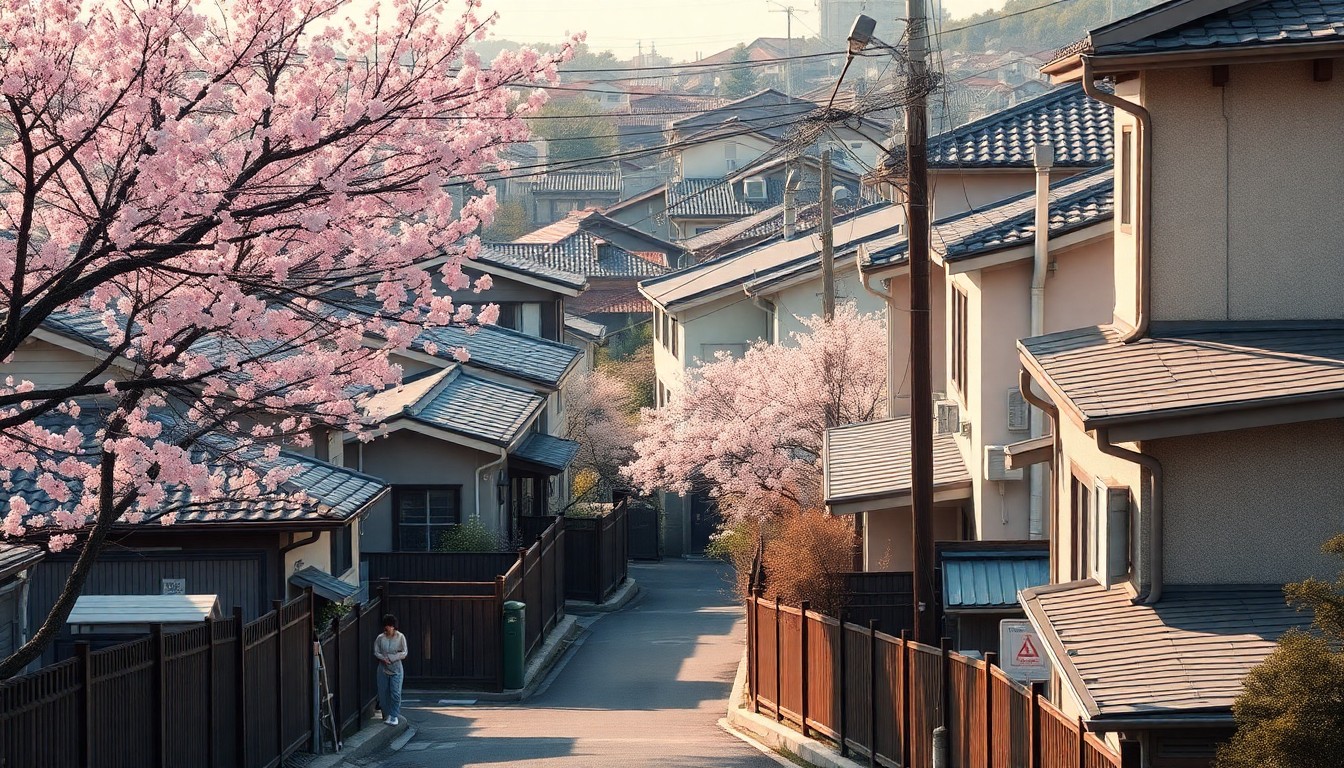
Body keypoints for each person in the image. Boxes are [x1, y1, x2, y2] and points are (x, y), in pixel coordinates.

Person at [373, 614, 408, 726]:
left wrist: (393, 658)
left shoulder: (400, 637)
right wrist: (383, 658)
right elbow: (376, 651)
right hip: (383, 667)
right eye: (386, 626)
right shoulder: (380, 638)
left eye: (389, 626)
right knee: (383, 693)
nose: (387, 628)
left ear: (393, 626)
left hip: (396, 667)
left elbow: (404, 652)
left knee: (395, 692)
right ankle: (387, 714)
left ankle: (394, 715)